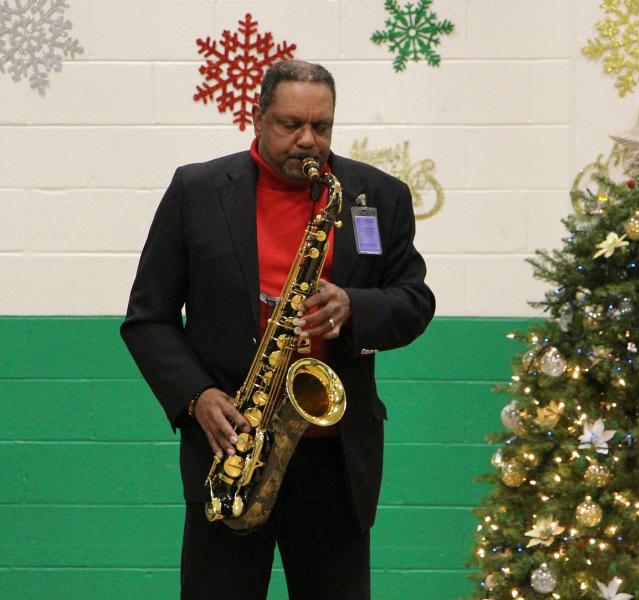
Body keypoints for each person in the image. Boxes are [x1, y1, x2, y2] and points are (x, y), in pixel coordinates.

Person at [120, 60, 435, 600]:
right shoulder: (195, 191)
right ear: (258, 117)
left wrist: (353, 307)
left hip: (335, 464)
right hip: (233, 453)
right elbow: (148, 319)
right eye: (291, 125)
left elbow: (414, 300)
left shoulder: (375, 196)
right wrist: (196, 396)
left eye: (322, 127)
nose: (308, 141)